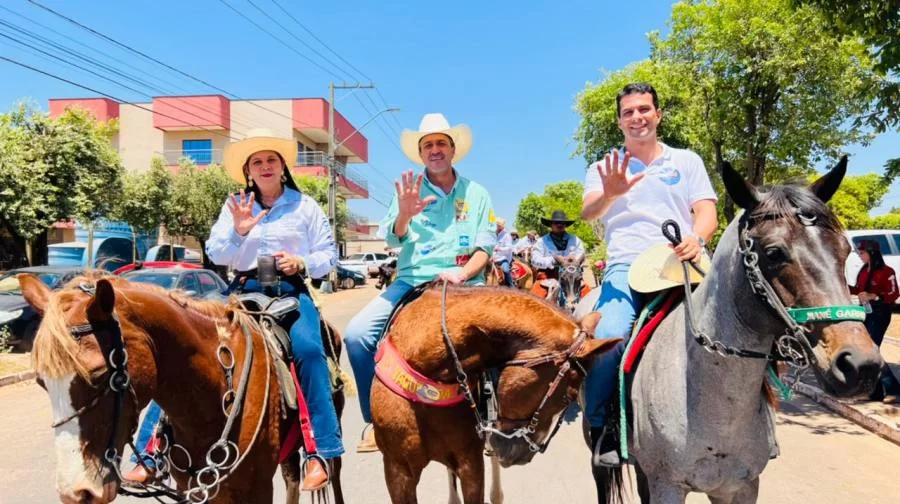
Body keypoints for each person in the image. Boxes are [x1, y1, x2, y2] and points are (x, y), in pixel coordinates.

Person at [581, 83, 718, 467]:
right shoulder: (603, 166)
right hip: (626, 265)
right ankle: (603, 425)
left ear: (658, 114)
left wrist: (697, 237)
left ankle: (760, 418)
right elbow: (590, 212)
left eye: (644, 109)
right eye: (628, 112)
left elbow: (706, 212)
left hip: (680, 262)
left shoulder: (686, 161)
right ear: (619, 120)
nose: (637, 117)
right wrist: (610, 193)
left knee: (737, 319)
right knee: (609, 336)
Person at [344, 113, 496, 452]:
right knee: (357, 336)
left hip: (466, 286)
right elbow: (394, 240)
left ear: (453, 149)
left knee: (510, 339)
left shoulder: (477, 193)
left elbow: (485, 248)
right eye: (428, 144)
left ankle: (497, 418)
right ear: (421, 153)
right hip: (413, 283)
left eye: (441, 142)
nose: (435, 149)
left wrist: (462, 274)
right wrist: (404, 215)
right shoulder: (407, 192)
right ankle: (374, 422)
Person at [204, 128, 342, 490]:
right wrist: (238, 231)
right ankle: (153, 446)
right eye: (257, 162)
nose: (265, 166)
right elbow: (217, 254)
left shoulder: (306, 206)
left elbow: (329, 257)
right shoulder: (235, 206)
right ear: (249, 170)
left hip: (291, 293)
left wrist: (302, 261)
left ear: (282, 167)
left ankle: (320, 451)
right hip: (241, 292)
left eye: (271, 160)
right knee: (187, 341)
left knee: (310, 351)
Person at [850, 240, 900, 403]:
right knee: (867, 351)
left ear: (872, 253)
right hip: (865, 312)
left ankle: (893, 389)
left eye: (862, 253)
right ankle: (877, 392)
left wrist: (875, 296)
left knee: (871, 351)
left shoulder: (887, 271)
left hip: (880, 313)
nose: (860, 256)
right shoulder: (864, 270)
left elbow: (894, 293)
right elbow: (858, 289)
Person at [493, 218, 515, 287]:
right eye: (497, 225)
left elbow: (509, 248)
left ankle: (512, 287)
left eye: (499, 225)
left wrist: (499, 249)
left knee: (505, 270)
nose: (498, 227)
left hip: (503, 258)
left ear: (503, 226)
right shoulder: (493, 234)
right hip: (493, 257)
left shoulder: (507, 235)